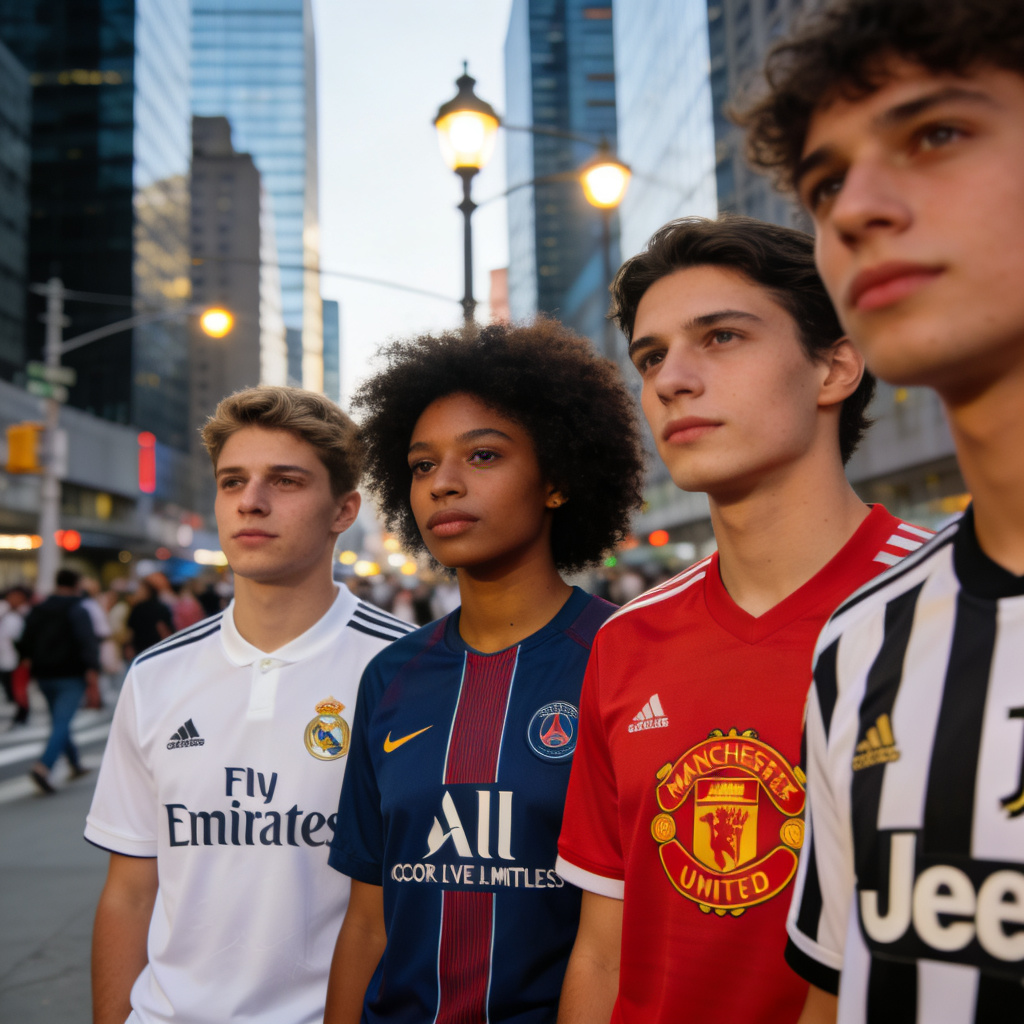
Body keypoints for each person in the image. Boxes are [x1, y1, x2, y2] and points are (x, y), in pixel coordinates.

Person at [555, 216, 929, 1024]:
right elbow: (603, 946)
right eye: (650, 356)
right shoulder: (625, 641)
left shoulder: (951, 609)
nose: (669, 380)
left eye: (720, 337)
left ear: (834, 367)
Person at [735, 2, 1024, 1021]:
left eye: (935, 134)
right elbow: (833, 989)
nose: (854, 207)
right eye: (823, 184)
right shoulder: (864, 640)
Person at [323, 320, 646, 1024]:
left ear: (556, 479)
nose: (444, 483)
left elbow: (630, 939)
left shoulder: (625, 660)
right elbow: (367, 922)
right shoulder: (391, 676)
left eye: (484, 455)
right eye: (421, 464)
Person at [85, 386, 414, 1024]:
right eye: (232, 480)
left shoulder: (407, 670)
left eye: (285, 481)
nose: (251, 501)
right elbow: (129, 892)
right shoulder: (156, 675)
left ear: (344, 509)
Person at [19, 568, 100, 793]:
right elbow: (87, 640)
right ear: (76, 585)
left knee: (59, 719)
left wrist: (28, 659)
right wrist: (92, 668)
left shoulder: (39, 608)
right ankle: (44, 766)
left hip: (44, 673)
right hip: (71, 674)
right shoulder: (77, 609)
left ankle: (74, 763)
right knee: (62, 721)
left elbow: (25, 638)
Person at [0, 585, 32, 726]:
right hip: (6, 657)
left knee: (18, 689)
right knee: (10, 688)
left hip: (18, 659)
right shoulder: (5, 612)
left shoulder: (26, 614)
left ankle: (22, 713)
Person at [125, 577, 173, 658]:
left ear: (147, 591)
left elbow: (130, 631)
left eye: (140, 589)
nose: (137, 592)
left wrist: (129, 647)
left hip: (143, 649)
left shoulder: (138, 608)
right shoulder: (161, 607)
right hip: (159, 647)